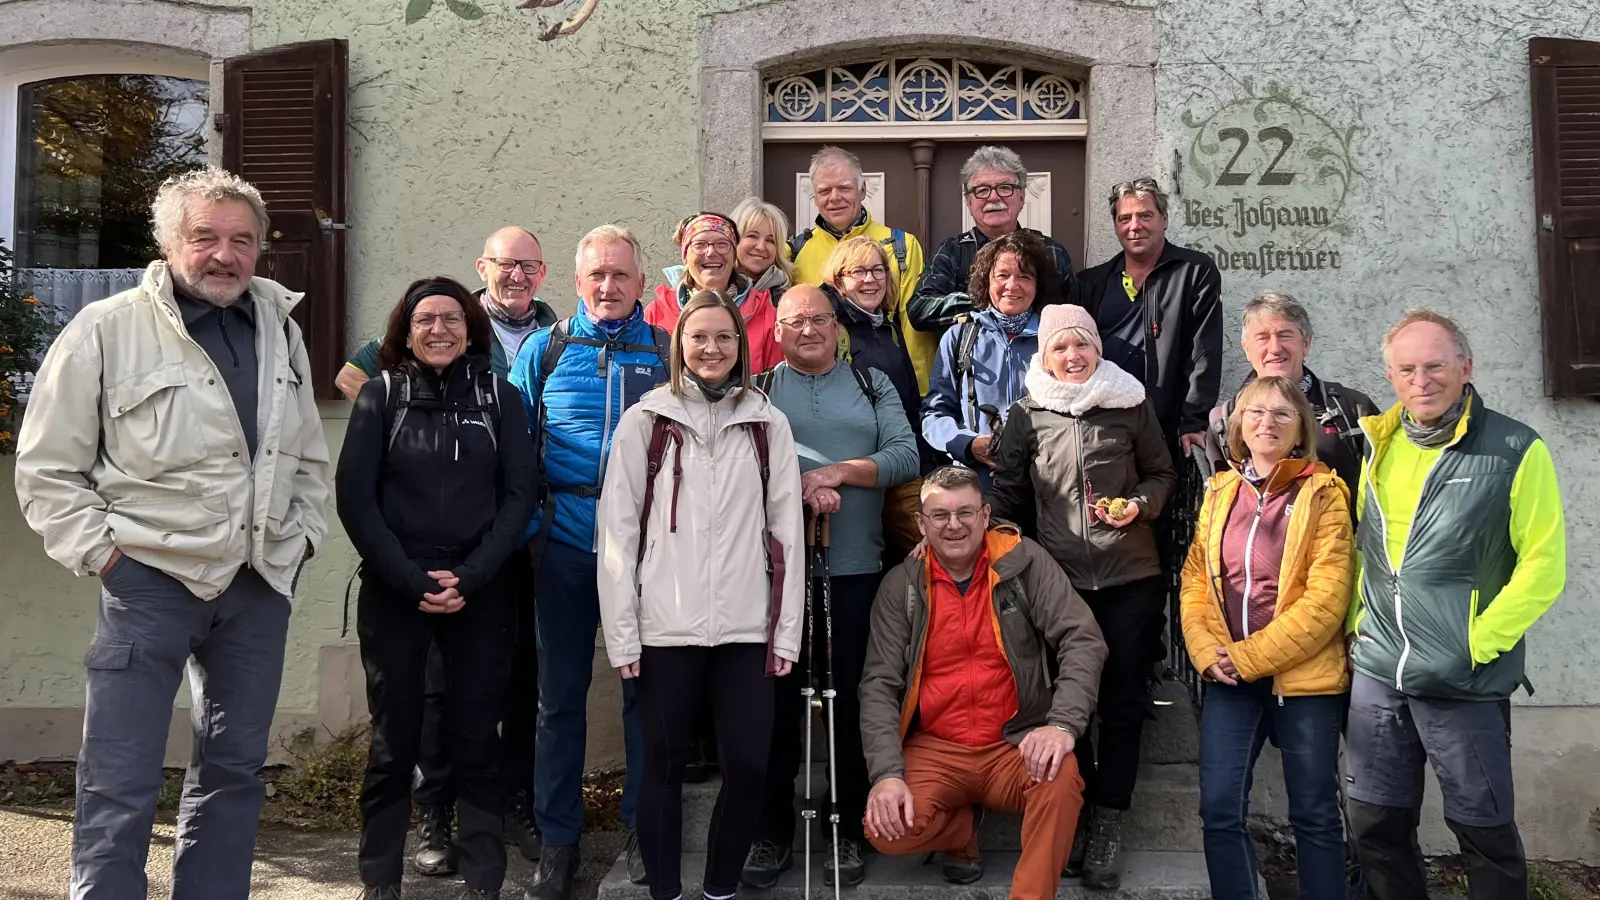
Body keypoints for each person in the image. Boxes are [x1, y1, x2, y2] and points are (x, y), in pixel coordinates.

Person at [13, 167, 330, 900]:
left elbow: (308, 458)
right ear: (167, 243)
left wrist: (300, 540)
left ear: (259, 250)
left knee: (232, 776)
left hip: (256, 587)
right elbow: (47, 470)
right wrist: (109, 560)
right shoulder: (106, 328)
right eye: (205, 237)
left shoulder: (280, 330)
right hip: (146, 582)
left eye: (241, 240)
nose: (225, 255)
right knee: (119, 780)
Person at [335, 223, 557, 872]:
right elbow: (356, 500)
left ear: (470, 330)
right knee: (396, 736)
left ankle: (486, 873)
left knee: (479, 730)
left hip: (485, 584)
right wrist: (412, 579)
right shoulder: (382, 395)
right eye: (426, 319)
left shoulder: (503, 392)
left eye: (451, 319)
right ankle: (383, 871)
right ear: (404, 331)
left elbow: (521, 493)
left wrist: (471, 574)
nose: (439, 329)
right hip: (397, 589)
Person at [1345, 310, 1566, 900]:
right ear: (1391, 377)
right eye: (1407, 368)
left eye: (1435, 365)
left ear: (1465, 367)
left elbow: (1544, 566)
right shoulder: (1380, 444)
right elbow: (1367, 552)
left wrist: (1476, 643)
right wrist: (1356, 629)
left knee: (1483, 834)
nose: (1422, 379)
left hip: (1463, 678)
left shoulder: (1515, 447)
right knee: (1375, 826)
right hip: (1379, 673)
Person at [597, 290, 806, 900]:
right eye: (699, 337)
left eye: (724, 337)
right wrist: (623, 633)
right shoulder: (646, 421)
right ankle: (666, 892)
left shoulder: (768, 422)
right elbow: (617, 535)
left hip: (746, 631)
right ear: (679, 345)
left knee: (747, 768)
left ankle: (717, 889)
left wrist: (784, 631)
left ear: (742, 345)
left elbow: (786, 533)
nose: (711, 349)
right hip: (666, 628)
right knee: (661, 769)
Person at [988, 303, 1176, 890]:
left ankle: (1109, 823)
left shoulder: (1129, 402)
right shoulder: (1026, 413)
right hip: (1059, 585)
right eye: (1060, 349)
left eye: (1083, 347)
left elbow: (1162, 474)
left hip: (1130, 580)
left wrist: (1139, 505)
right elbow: (1009, 496)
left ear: (1098, 349)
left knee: (1120, 705)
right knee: (1069, 703)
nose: (1073, 358)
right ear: (1043, 356)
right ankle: (1078, 809)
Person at [858, 466, 1107, 900]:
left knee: (1061, 776)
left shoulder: (1022, 561)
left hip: (1013, 742)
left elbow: (1081, 638)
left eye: (965, 512)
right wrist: (885, 774)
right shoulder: (902, 585)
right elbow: (879, 684)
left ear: (985, 515)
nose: (954, 525)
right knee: (884, 829)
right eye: (939, 515)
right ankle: (960, 829)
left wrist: (1062, 724)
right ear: (921, 523)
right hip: (938, 745)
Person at [510, 224, 670, 900]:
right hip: (566, 546)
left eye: (621, 276)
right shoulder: (546, 351)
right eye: (596, 276)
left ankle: (642, 829)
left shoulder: (669, 349)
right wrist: (528, 530)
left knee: (648, 698)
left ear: (641, 284)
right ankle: (558, 841)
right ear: (576, 283)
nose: (608, 287)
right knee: (559, 701)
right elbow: (514, 451)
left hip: (646, 551)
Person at [742, 284, 919, 890]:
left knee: (852, 701)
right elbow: (741, 462)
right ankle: (771, 831)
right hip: (773, 575)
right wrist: (800, 486)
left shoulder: (872, 384)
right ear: (778, 328)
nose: (808, 329)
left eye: (819, 318)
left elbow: (904, 454)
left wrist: (840, 472)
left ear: (837, 325)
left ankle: (846, 826)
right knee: (774, 706)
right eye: (795, 321)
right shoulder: (759, 388)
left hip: (855, 570)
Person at [1180, 376, 1354, 900]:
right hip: (1230, 679)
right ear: (1238, 425)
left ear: (1301, 427)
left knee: (1315, 816)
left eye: (1282, 414)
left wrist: (1246, 657)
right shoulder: (1220, 491)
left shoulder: (1324, 492)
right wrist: (1206, 652)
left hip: (1304, 682)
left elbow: (1326, 602)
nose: (1267, 423)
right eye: (1255, 412)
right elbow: (1195, 580)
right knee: (1218, 810)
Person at [1069, 178, 1221, 454]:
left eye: (1145, 216)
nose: (1135, 226)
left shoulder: (1194, 272)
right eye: (1124, 218)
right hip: (1104, 428)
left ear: (1164, 219)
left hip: (1167, 431)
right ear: (1116, 226)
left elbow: (1204, 352)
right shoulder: (1091, 283)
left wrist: (1193, 422)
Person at [338, 225, 559, 398]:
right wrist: (403, 423)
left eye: (528, 265)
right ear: (483, 269)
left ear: (542, 273)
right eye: (505, 264)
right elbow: (350, 376)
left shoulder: (557, 336)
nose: (518, 276)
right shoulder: (447, 324)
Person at [820, 235, 933, 563]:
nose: (870, 280)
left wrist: (925, 465)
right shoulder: (833, 329)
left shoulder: (889, 327)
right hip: (858, 471)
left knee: (927, 554)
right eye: (858, 272)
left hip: (901, 465)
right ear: (838, 279)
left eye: (878, 270)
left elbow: (911, 404)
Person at [1201, 291, 1378, 495]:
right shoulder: (1224, 422)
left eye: (1285, 335)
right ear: (1246, 349)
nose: (1275, 348)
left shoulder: (1354, 410)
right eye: (1263, 337)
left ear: (1306, 344)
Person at [787, 145, 933, 391]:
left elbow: (913, 329)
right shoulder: (795, 252)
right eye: (824, 191)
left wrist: (919, 391)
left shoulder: (902, 245)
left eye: (844, 188)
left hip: (888, 385)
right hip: (816, 389)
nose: (834, 198)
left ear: (862, 190)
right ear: (814, 195)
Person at [922, 230, 1059, 489]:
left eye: (1025, 276)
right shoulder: (959, 337)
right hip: (977, 486)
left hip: (1046, 487)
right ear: (986, 280)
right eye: (1002, 275)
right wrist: (968, 445)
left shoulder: (1055, 338)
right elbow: (934, 414)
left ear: (1038, 284)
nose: (1012, 285)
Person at [907, 145, 1075, 337]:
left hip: (1039, 362)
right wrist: (989, 299)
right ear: (969, 202)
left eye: (1005, 187)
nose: (993, 197)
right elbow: (920, 309)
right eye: (982, 190)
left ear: (1022, 197)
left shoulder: (1051, 251)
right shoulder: (953, 251)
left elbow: (1075, 316)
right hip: (972, 362)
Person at [644, 212, 782, 373]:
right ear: (685, 256)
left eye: (722, 244)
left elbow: (773, 384)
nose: (711, 252)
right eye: (700, 245)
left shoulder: (765, 312)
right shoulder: (656, 313)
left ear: (733, 256)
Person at [731, 196, 796, 308]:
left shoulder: (786, 300)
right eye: (752, 236)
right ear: (733, 238)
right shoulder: (715, 289)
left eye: (770, 240)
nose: (761, 247)